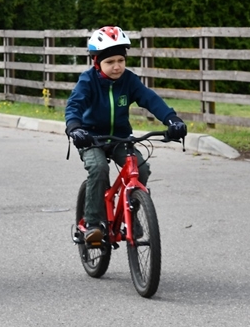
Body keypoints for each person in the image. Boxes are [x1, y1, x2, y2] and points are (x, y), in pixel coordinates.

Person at [64, 26, 188, 245]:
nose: (117, 66)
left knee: (141, 169)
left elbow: (151, 100)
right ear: (97, 62)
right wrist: (75, 128)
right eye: (110, 61)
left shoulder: (129, 81)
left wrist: (172, 120)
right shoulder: (88, 81)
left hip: (121, 138)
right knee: (99, 168)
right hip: (91, 138)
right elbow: (74, 105)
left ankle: (132, 214)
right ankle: (92, 224)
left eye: (120, 60)